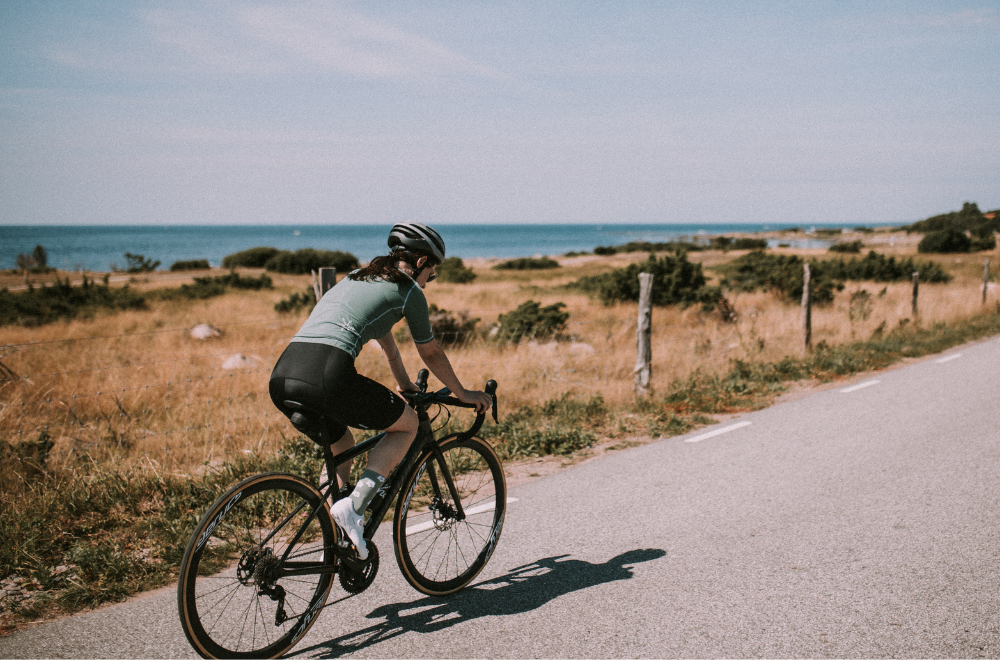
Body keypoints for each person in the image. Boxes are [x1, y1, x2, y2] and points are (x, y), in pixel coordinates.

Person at [268, 222, 492, 560]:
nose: (428, 281)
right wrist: (463, 393)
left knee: (340, 442)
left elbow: (387, 344)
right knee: (407, 426)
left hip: (284, 374)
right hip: (327, 373)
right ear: (420, 263)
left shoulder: (358, 277)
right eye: (431, 273)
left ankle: (338, 540)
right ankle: (354, 509)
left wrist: (405, 386)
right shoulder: (409, 292)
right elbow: (429, 352)